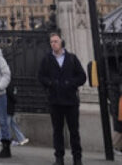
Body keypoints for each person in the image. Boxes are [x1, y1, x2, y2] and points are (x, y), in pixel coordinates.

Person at [37, 32, 86, 165]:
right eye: (51, 42)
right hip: (55, 100)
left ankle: (77, 158)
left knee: (74, 131)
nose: (53, 44)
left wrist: (71, 83)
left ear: (61, 42)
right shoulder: (47, 59)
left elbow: (82, 76)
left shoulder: (71, 58)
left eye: (56, 41)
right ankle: (59, 158)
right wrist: (51, 83)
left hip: (71, 101)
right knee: (57, 131)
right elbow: (41, 77)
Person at [5, 80, 28, 146]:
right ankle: (6, 139)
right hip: (9, 107)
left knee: (11, 124)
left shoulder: (7, 83)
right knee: (8, 124)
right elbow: (12, 94)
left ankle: (21, 138)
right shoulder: (10, 84)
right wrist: (15, 99)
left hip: (8, 107)